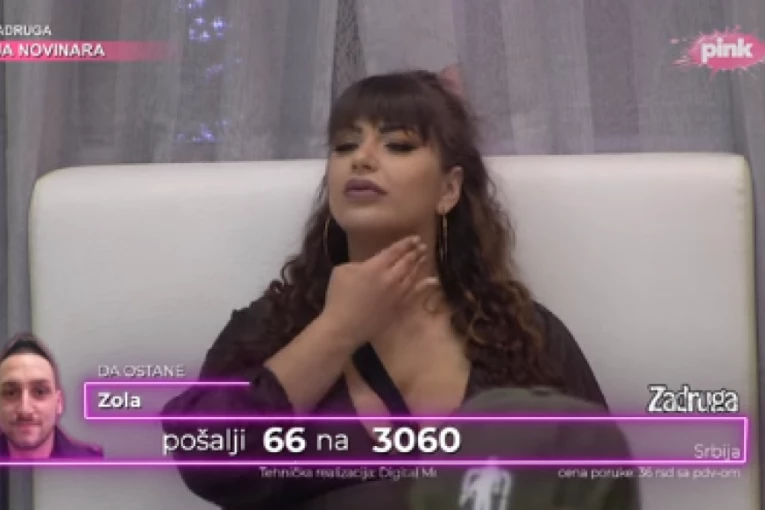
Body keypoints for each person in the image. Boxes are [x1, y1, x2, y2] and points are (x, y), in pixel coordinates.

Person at [162, 70, 611, 508]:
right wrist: (337, 329)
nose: (361, 159)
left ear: (449, 189)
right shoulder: (272, 326)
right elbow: (205, 462)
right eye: (344, 145)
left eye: (397, 145)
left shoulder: (525, 337)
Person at [0, 333, 103, 459]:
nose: (25, 410)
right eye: (11, 393)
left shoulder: (92, 464)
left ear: (59, 403)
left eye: (40, 392)